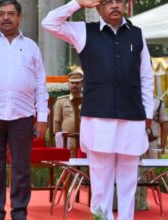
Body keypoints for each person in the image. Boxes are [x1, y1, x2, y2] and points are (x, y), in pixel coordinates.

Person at [42, 0, 154, 219]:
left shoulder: (137, 34)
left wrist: (148, 113)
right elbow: (49, 23)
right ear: (98, 8)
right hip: (98, 119)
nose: (114, 6)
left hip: (132, 118)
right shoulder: (84, 31)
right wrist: (77, 4)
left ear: (125, 5)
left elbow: (146, 76)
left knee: (128, 183)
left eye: (118, 1)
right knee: (100, 182)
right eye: (107, 2)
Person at [0, 1, 49, 219]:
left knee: (21, 168)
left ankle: (20, 212)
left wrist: (42, 117)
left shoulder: (31, 46)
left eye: (11, 14)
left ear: (20, 17)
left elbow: (40, 83)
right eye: (2, 14)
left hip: (23, 115)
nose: (6, 18)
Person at [53, 69, 83, 150]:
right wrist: (59, 139)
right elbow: (57, 123)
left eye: (77, 83)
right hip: (67, 139)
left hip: (84, 139)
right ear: (68, 84)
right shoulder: (61, 101)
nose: (74, 85)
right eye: (72, 83)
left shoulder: (87, 101)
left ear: (82, 84)